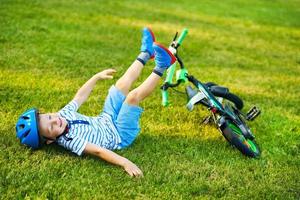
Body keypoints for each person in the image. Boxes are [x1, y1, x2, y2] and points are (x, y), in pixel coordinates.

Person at [16, 27, 176, 177]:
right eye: (51, 128)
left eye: (49, 117)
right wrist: (125, 162)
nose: (55, 121)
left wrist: (96, 77)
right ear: (51, 140)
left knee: (120, 85)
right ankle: (162, 65)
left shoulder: (62, 114)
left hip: (107, 117)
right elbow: (99, 151)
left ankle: (145, 53)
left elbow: (79, 97)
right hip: (120, 134)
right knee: (132, 98)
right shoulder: (70, 141)